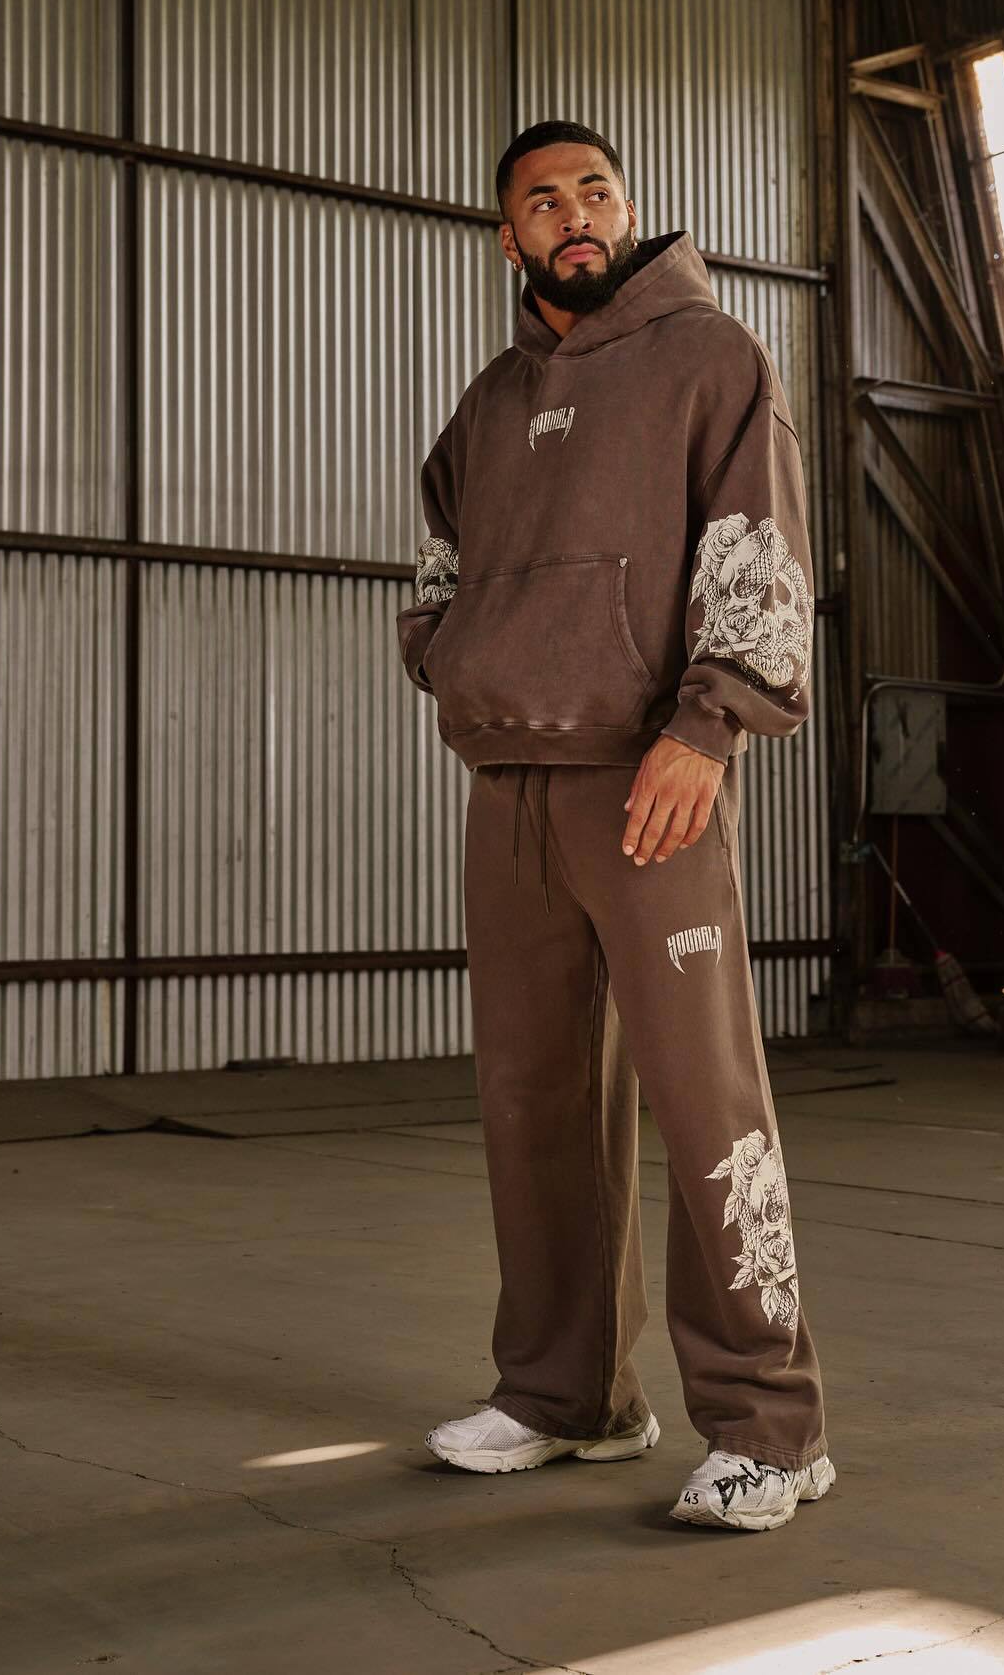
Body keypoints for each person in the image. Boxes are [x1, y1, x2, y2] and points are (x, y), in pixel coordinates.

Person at [395, 119, 833, 1532]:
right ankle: (566, 1396)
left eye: (593, 189)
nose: (572, 212)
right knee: (534, 1105)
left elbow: (760, 547)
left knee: (704, 1099)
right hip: (509, 787)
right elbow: (435, 565)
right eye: (541, 200)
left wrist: (707, 726)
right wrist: (463, 664)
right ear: (508, 236)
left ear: (628, 206)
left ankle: (771, 1427)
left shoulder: (712, 357)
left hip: (652, 776)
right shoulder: (489, 407)